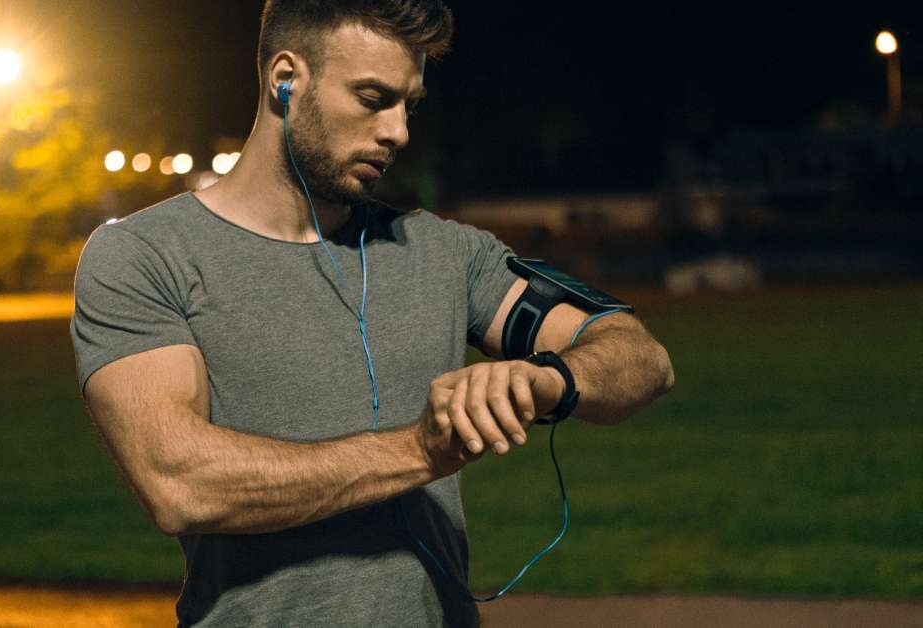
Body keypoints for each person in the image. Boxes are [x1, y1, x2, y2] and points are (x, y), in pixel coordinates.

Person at [70, 1, 674, 625]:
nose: (398, 132)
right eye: (372, 98)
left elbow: (640, 357)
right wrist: (422, 449)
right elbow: (179, 482)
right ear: (285, 79)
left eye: (408, 105)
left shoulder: (443, 251)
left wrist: (544, 380)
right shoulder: (142, 256)